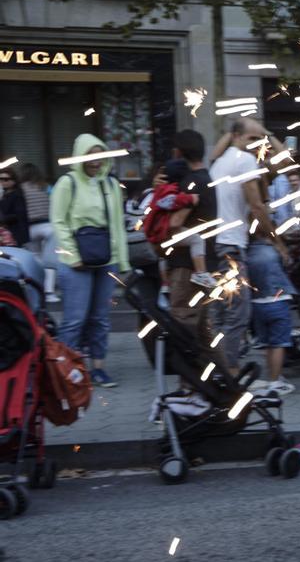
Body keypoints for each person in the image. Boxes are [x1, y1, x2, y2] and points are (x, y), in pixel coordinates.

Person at [50, 133, 129, 388]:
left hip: (106, 259)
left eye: (99, 155)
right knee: (75, 319)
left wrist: (122, 261)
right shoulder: (67, 183)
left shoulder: (111, 185)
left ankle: (98, 368)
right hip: (77, 262)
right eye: (90, 155)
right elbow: (59, 222)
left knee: (101, 318)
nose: (95, 161)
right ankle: (64, 372)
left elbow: (117, 225)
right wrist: (71, 255)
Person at [208, 119, 276, 369]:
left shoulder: (221, 161)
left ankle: (213, 365)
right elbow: (256, 206)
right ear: (236, 136)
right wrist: (277, 241)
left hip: (216, 244)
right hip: (230, 246)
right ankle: (230, 370)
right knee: (238, 311)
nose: (256, 144)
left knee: (219, 310)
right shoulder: (244, 160)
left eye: (260, 140)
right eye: (252, 138)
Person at [147, 159, 219, 290]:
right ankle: (200, 273)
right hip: (164, 230)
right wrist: (190, 198)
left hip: (156, 230)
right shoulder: (169, 189)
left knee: (163, 256)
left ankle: (165, 283)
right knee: (197, 240)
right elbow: (168, 203)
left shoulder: (159, 189)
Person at [246, 233, 297, 397]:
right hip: (278, 301)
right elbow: (288, 263)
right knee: (278, 344)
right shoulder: (273, 250)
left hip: (257, 305)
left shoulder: (247, 253)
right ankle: (275, 382)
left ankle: (272, 376)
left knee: (267, 344)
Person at [18, 163, 57, 302]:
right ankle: (49, 293)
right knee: (50, 260)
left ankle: (36, 290)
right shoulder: (46, 186)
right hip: (48, 226)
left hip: (30, 228)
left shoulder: (20, 189)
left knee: (34, 258)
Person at [0, 166, 29, 247]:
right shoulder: (4, 195)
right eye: (0, 179)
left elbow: (19, 215)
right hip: (6, 233)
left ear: (14, 181)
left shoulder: (17, 195)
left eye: (6, 179)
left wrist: (3, 219)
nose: (2, 182)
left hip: (14, 234)